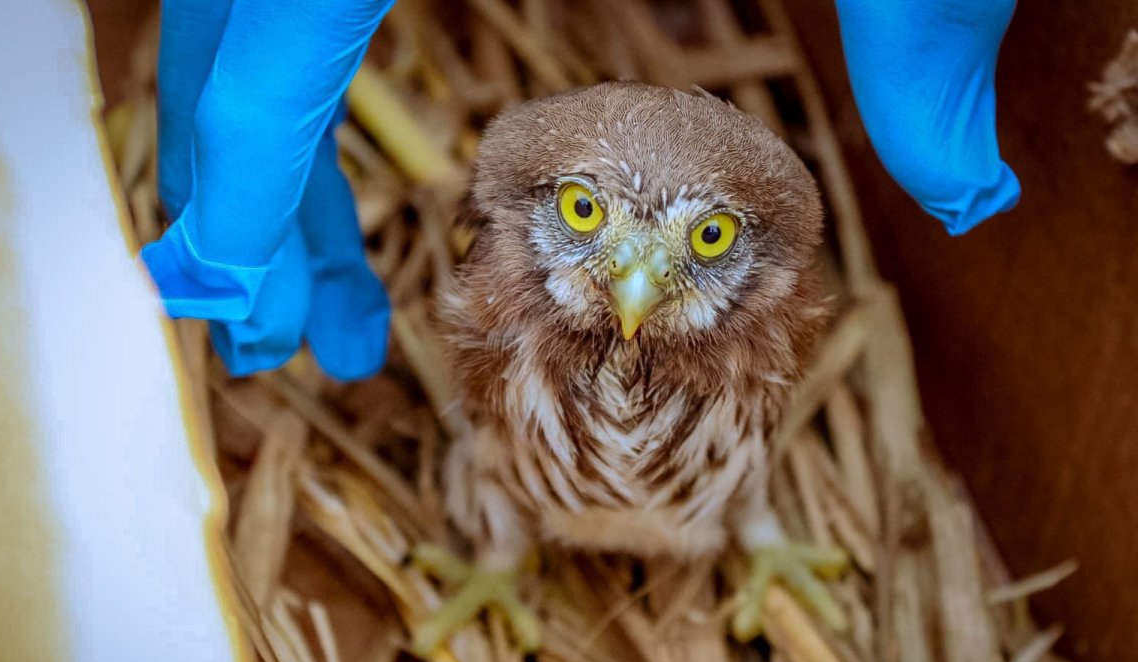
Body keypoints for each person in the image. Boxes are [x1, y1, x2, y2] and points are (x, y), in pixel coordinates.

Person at [141, 0, 1019, 382]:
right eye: (582, 210)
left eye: (712, 238)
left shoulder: (757, 347)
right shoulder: (498, 303)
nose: (636, 279)